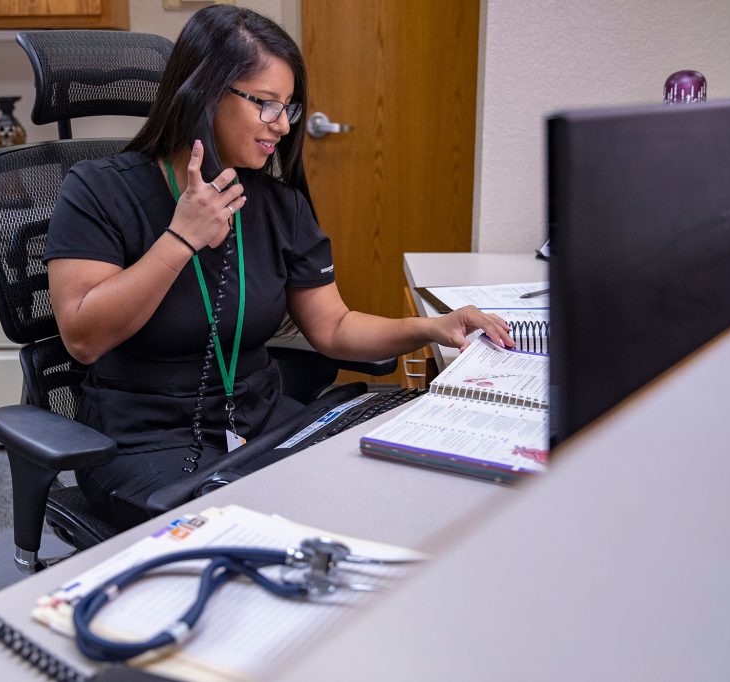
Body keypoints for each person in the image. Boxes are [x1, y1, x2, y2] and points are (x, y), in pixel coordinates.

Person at [44, 5, 514, 529]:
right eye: (266, 104)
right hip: (141, 443)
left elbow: (333, 327)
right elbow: (83, 337)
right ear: (204, 95)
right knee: (273, 525)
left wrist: (431, 327)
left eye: (288, 108)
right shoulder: (98, 190)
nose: (282, 126)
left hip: (259, 422)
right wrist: (181, 238)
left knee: (387, 484)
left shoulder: (277, 204)